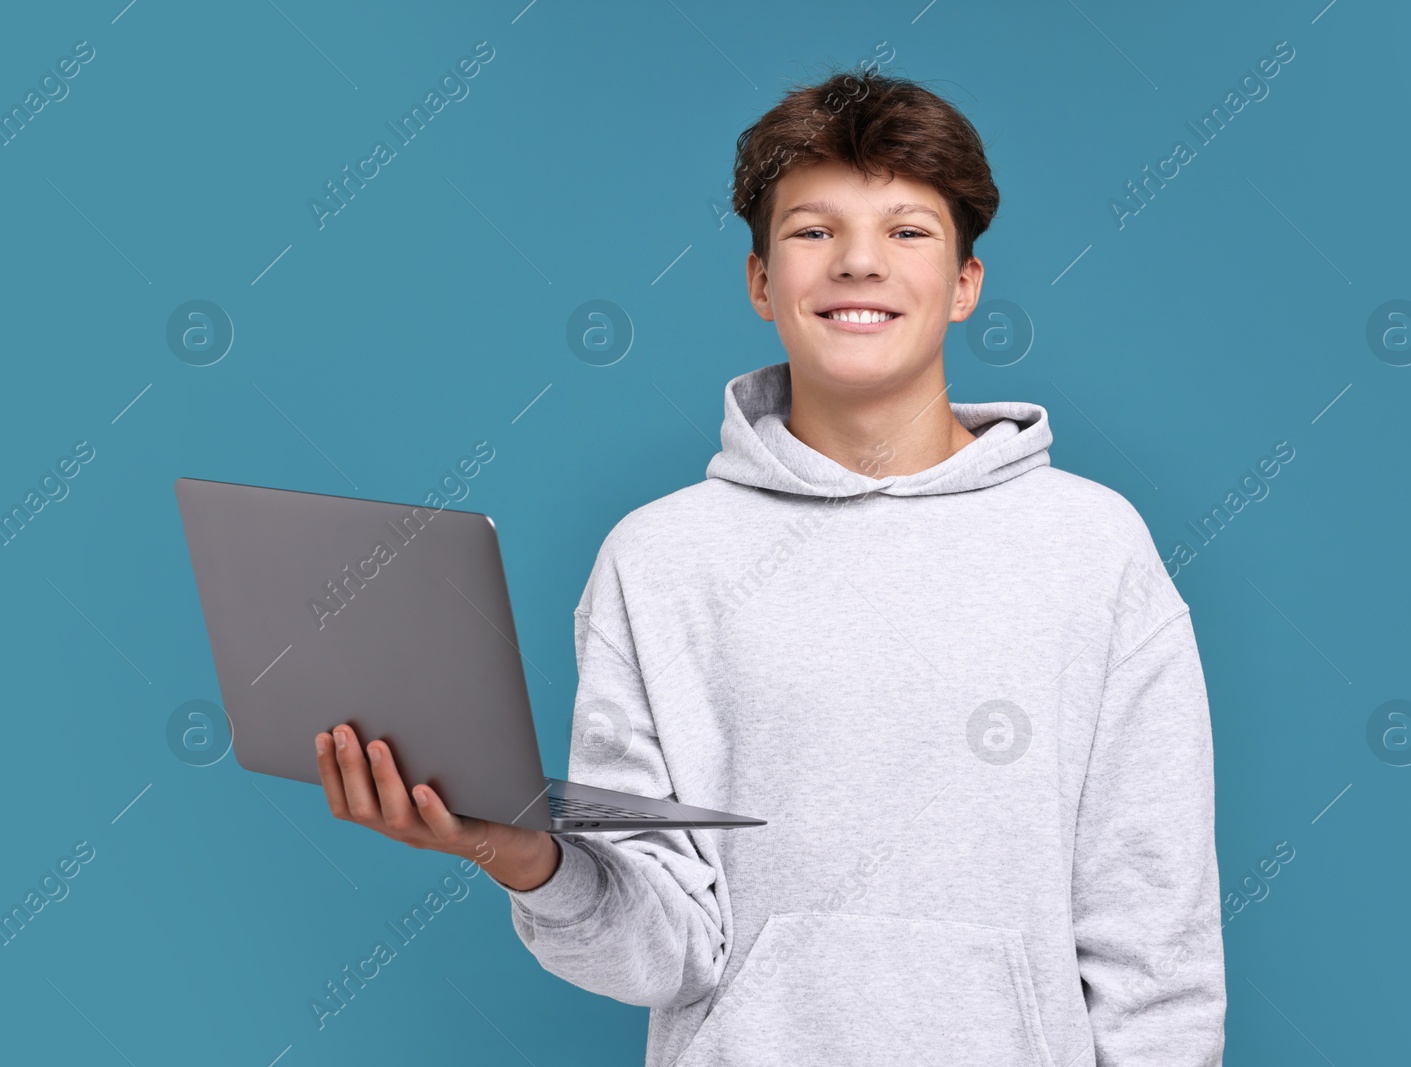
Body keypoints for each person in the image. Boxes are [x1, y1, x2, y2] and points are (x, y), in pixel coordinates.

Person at [314, 67, 1226, 1066]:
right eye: (812, 230)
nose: (859, 264)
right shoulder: (660, 558)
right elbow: (665, 948)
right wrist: (521, 853)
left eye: (907, 230)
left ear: (965, 283)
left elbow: (1157, 943)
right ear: (759, 281)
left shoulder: (1092, 547)